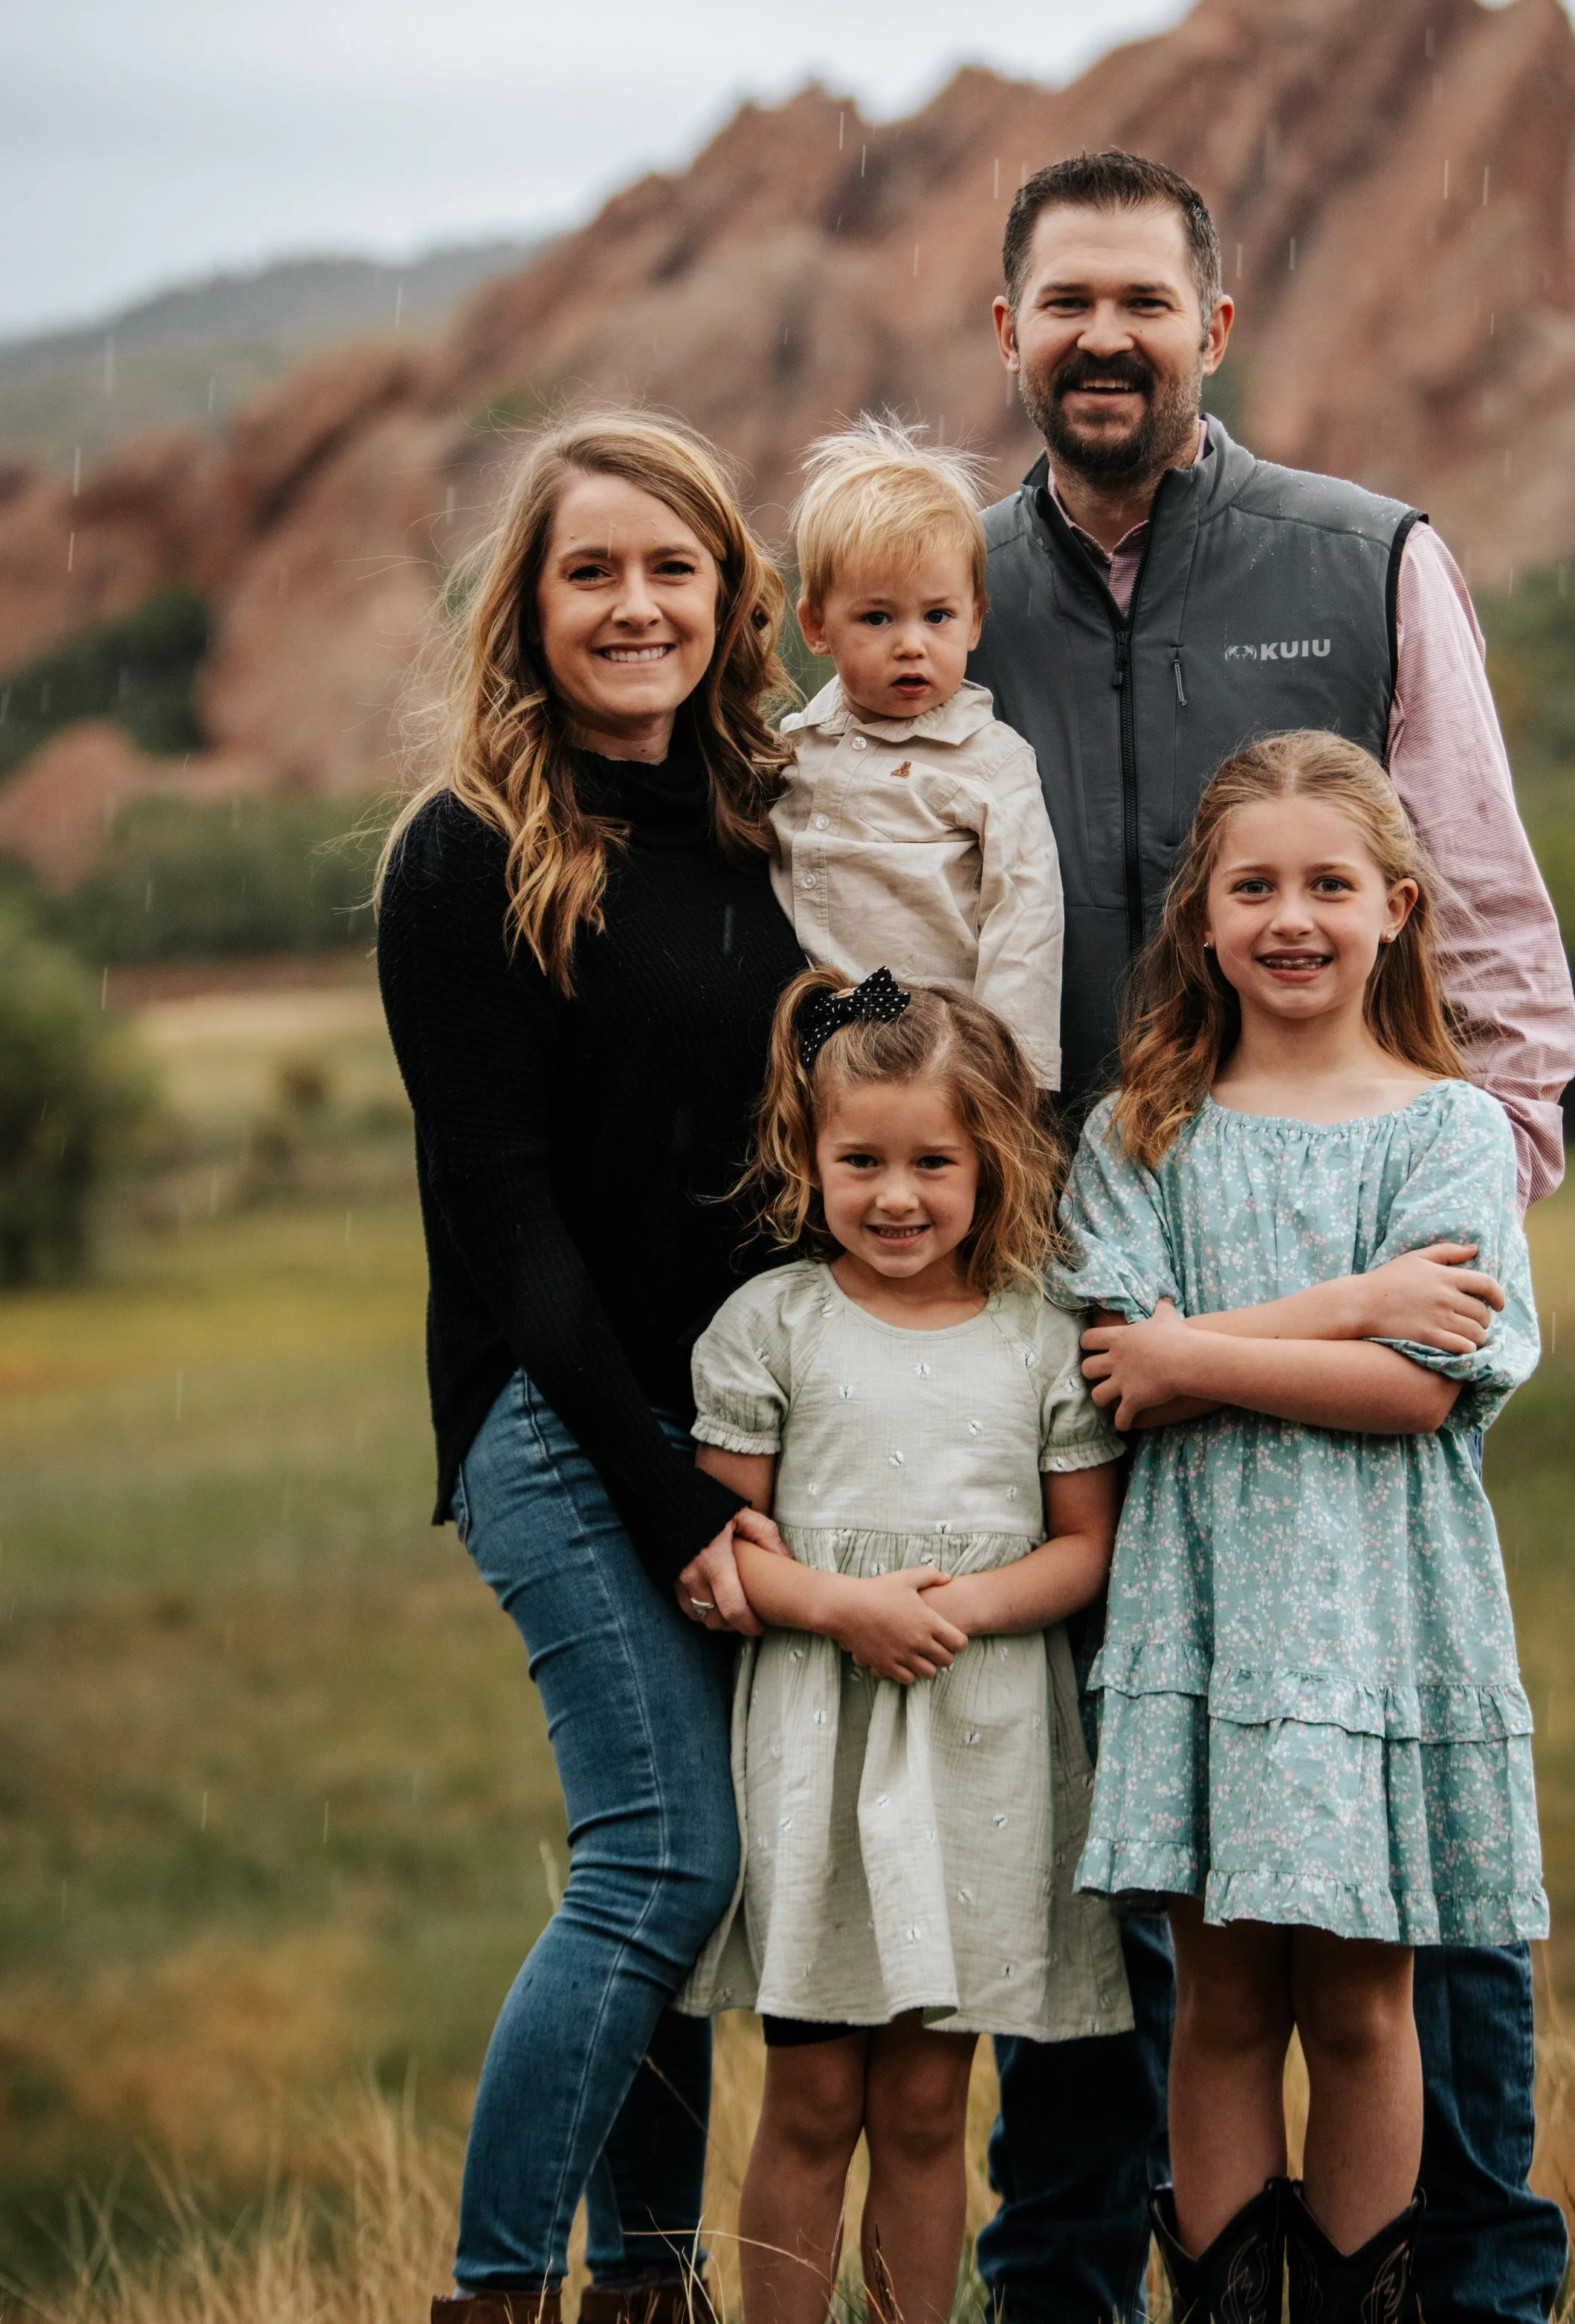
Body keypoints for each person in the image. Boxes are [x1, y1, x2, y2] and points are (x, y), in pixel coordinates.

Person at [971, 151, 1575, 2324]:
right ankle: (1084, 2282)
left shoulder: (1362, 558)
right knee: (1128, 1859)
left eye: (1142, 300)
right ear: (1010, 333)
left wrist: (1453, 1227)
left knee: (1400, 1885)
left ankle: (1463, 2285)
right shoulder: (954, 591)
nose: (1102, 338)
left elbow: (1487, 922)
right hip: (1074, 1300)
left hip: (1377, 1320)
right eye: (1063, 304)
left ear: (1209, 329)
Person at [375, 413, 809, 2324]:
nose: (635, 606)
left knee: (696, 1886)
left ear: (728, 596)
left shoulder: (764, 835)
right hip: (555, 1424)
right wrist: (677, 1507)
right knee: (662, 1851)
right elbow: (509, 1224)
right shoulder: (466, 855)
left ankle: (648, 2284)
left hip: (733, 1427)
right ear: (528, 610)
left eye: (672, 569)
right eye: (589, 572)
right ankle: (496, 2297)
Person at [1058, 732, 1546, 2324]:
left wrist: (1196, 1350)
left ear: (1395, 905)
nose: (1290, 917)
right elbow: (1118, 1375)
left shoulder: (1449, 1130)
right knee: (1215, 2003)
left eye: (1327, 883)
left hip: (1374, 1617)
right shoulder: (1141, 1131)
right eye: (1250, 884)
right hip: (1200, 1618)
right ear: (1198, 916)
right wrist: (1342, 1306)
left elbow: (1416, 1392)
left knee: (1358, 2001)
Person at [678, 966, 1131, 2324]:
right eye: (859, 1158)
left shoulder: (1043, 1336)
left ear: (991, 1159)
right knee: (813, 2092)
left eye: (933, 1160)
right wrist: (850, 1608)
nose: (895, 1194)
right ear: (808, 1157)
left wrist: (957, 1611)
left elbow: (1083, 1546)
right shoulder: (773, 1326)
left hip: (976, 1749)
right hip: (821, 1745)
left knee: (930, 2102)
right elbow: (722, 1550)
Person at [770, 418, 1064, 1087]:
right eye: (877, 618)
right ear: (816, 626)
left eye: (937, 617)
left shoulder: (990, 762)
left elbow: (1026, 921)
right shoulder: (791, 752)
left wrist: (1012, 1081)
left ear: (975, 619)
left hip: (937, 1066)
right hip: (806, 1065)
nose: (912, 644)